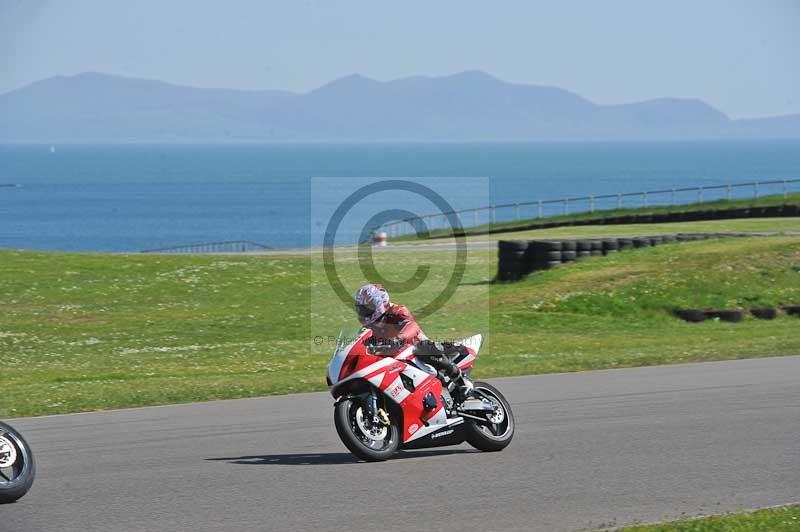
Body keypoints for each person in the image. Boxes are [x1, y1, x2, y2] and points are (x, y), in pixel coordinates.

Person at [353, 283, 471, 394]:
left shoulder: (398, 311)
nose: (364, 313)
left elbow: (412, 326)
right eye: (361, 309)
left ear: (379, 303)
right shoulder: (369, 326)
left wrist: (399, 338)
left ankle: (460, 380)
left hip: (415, 348)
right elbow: (361, 341)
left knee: (425, 348)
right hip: (394, 357)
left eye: (367, 309)